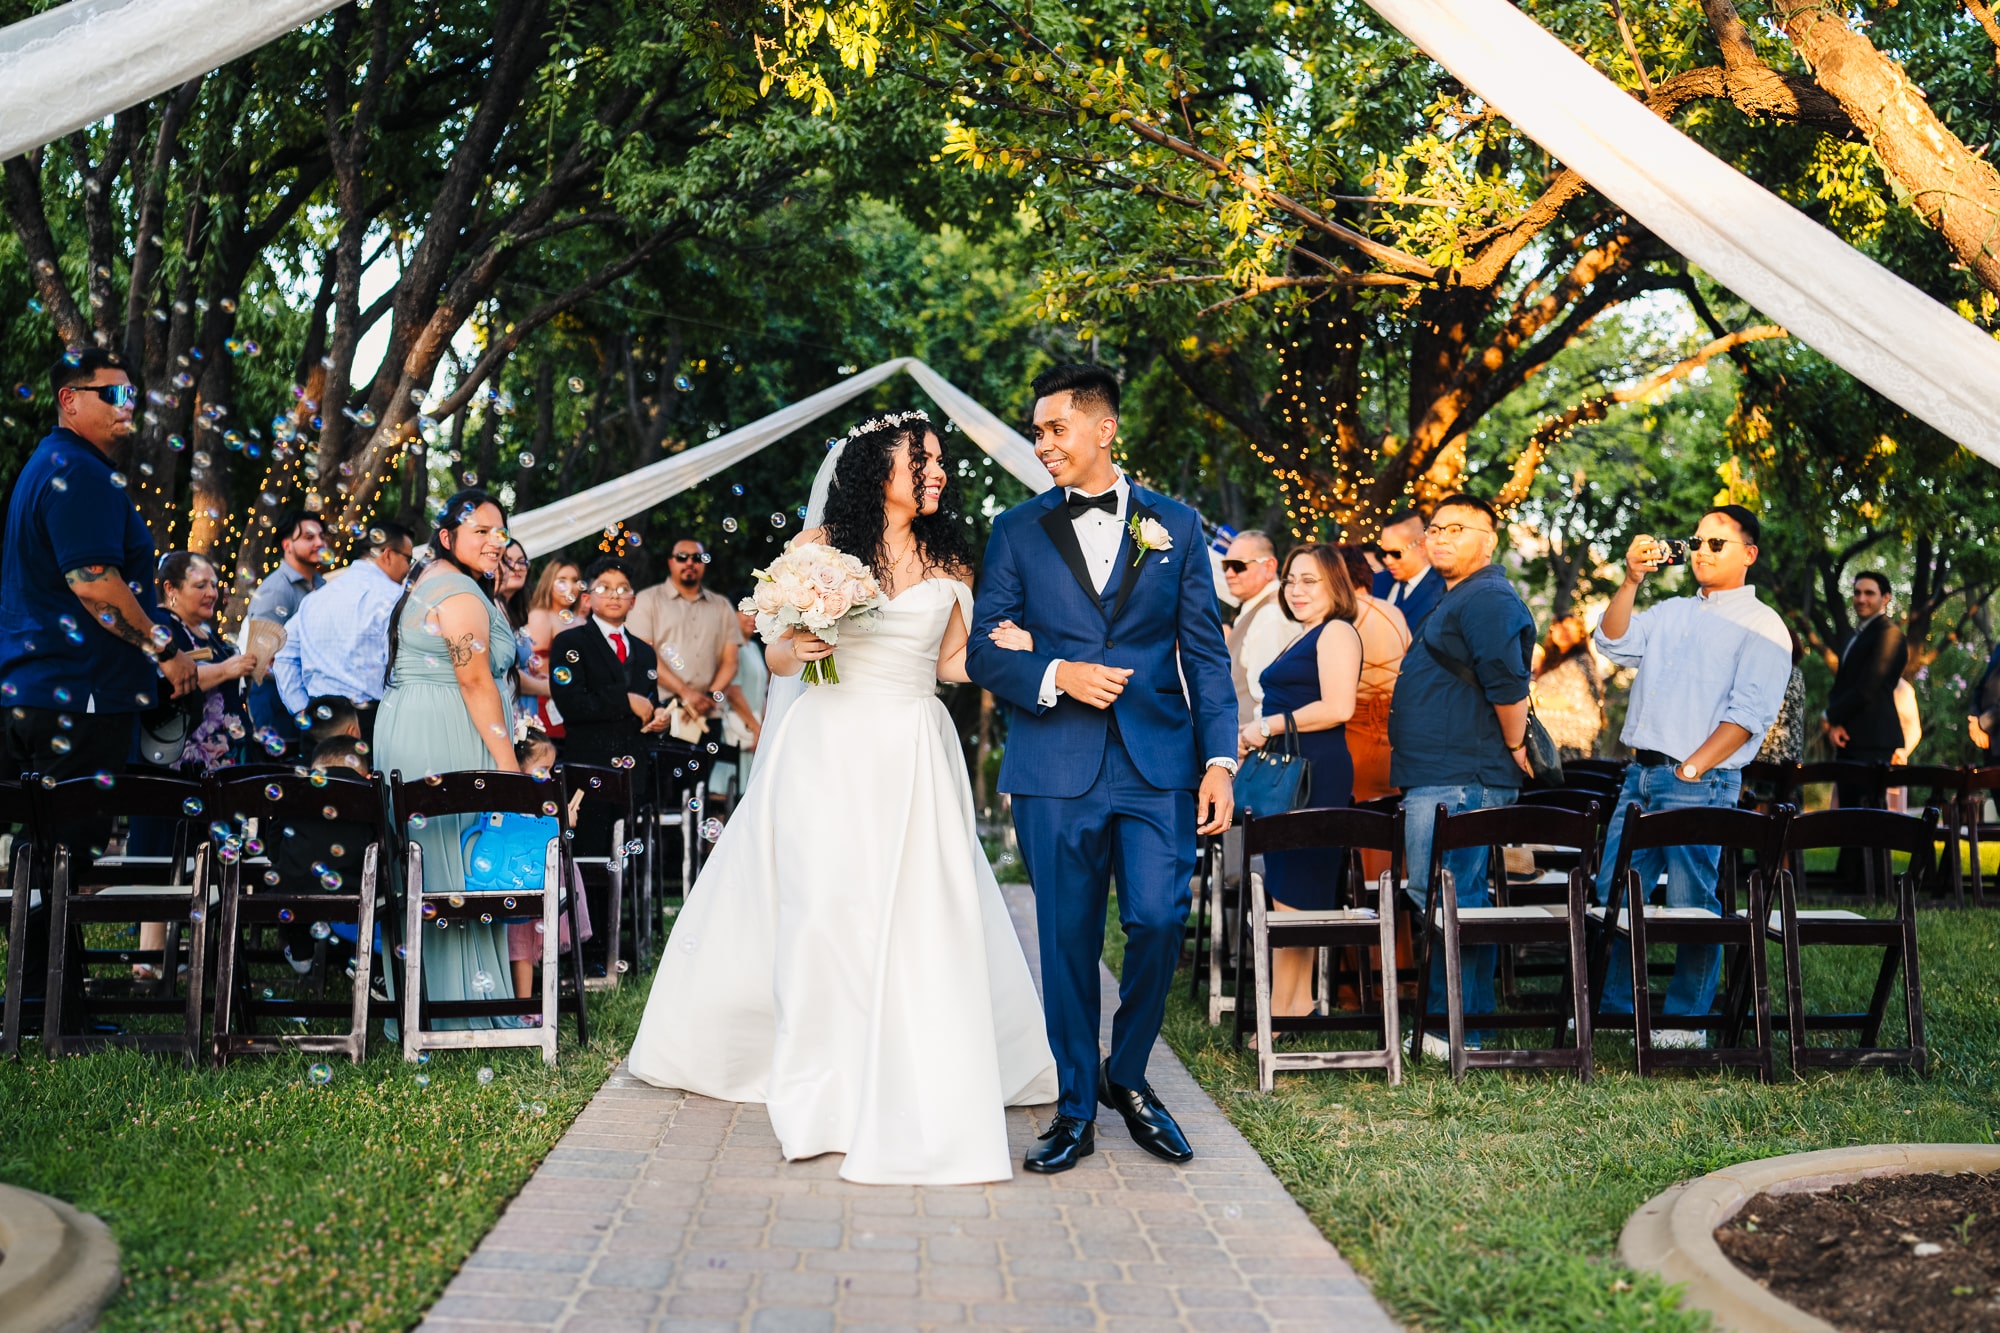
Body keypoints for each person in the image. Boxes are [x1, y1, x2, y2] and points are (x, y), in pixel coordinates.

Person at [629, 409, 1057, 1186]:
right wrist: (803, 641)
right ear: (875, 469)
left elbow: (953, 663)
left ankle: (905, 1057)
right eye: (919, 459)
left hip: (913, 745)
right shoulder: (820, 549)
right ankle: (822, 1084)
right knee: (825, 911)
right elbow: (778, 651)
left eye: (938, 461)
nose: (936, 472)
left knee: (916, 909)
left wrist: (1008, 651)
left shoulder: (952, 557)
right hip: (825, 747)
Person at [968, 363, 1236, 1176]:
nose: (1042, 442)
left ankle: (1130, 1073)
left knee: (1158, 920)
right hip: (1055, 765)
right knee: (1067, 939)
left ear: (1103, 429)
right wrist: (1057, 674)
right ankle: (1078, 1104)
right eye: (1037, 431)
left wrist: (1219, 759)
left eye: (1054, 428)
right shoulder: (1015, 530)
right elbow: (984, 647)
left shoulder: (1178, 527)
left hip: (1160, 763)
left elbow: (1206, 654)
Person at [0, 350, 196, 1000]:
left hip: (48, 688)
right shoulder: (75, 470)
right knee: (65, 855)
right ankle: (41, 1002)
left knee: (51, 850)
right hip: (76, 691)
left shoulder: (53, 466)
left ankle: (51, 997)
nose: (127, 407)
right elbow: (94, 583)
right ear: (69, 400)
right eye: (111, 395)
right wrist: (162, 646)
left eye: (131, 395)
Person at [1592, 506, 1791, 1045]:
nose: (1702, 551)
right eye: (1697, 541)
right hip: (1640, 777)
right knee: (1611, 894)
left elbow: (1749, 714)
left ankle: (1685, 1023)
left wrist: (1692, 767)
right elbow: (1612, 641)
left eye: (1717, 543)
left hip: (1697, 781)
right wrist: (1631, 579)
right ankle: (1609, 1012)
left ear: (1748, 554)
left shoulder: (1763, 626)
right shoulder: (1671, 611)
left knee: (1691, 902)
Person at [1386, 493, 1536, 1057]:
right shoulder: (1460, 596)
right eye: (1435, 528)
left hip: (1464, 776)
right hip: (1442, 774)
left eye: (1458, 527)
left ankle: (1459, 1030)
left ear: (1489, 538)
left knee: (1451, 900)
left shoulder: (1490, 597)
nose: (1441, 536)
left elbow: (1507, 680)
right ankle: (1456, 1026)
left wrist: (1517, 740)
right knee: (1448, 900)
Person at [374, 488, 521, 1028]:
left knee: (435, 859)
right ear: (447, 538)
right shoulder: (457, 592)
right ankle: (461, 1007)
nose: (493, 541)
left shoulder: (434, 581)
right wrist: (509, 767)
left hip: (417, 723)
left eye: (498, 531)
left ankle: (439, 1000)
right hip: (442, 727)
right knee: (449, 856)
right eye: (479, 531)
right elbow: (475, 677)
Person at [1237, 544, 1363, 1031]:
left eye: (1310, 580)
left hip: (1316, 773)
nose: (1297, 590)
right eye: (1291, 580)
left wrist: (1264, 727)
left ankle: (1287, 1011)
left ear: (1335, 584)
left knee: (1297, 895)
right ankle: (1292, 1006)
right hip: (1293, 770)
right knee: (1290, 892)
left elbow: (1338, 708)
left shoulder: (1336, 632)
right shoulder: (1306, 634)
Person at [548, 556, 670, 853]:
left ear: (634, 600)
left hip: (634, 770)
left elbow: (649, 702)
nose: (615, 594)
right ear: (587, 598)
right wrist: (625, 700)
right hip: (590, 767)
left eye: (622, 588)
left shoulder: (644, 652)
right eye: (605, 587)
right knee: (591, 852)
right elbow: (571, 703)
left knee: (628, 855)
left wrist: (660, 718)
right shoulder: (570, 643)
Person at [273, 521, 412, 748]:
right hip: (373, 723)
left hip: (318, 721)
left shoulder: (316, 598)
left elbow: (284, 652)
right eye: (408, 559)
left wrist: (301, 708)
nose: (408, 568)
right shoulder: (395, 598)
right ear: (387, 555)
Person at [140, 551, 256, 773]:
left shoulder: (207, 631)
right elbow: (167, 684)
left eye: (214, 585)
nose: (212, 593)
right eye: (201, 586)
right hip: (190, 761)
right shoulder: (161, 625)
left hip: (228, 758)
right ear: (170, 588)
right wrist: (225, 670)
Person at [626, 536, 742, 738]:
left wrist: (707, 696)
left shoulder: (722, 605)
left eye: (697, 557)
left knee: (706, 770)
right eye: (682, 557)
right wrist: (686, 693)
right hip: (663, 710)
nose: (690, 562)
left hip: (709, 712)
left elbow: (730, 660)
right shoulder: (647, 600)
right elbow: (645, 655)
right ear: (670, 562)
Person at [1334, 544, 1410, 809]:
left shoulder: (1338, 618)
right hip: (1394, 737)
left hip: (1351, 733)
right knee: (1387, 825)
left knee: (1356, 828)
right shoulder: (1395, 613)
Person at [242, 509, 326, 748]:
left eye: (321, 536)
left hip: (306, 700)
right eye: (309, 538)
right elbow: (264, 662)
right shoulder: (276, 589)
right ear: (287, 544)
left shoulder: (322, 585)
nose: (320, 543)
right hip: (275, 702)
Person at [1825, 571, 1909, 787]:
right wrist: (1835, 723)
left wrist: (1829, 715)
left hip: (1874, 740)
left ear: (1886, 598)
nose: (1861, 599)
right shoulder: (1854, 636)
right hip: (1847, 737)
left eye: (1869, 593)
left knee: (1867, 817)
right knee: (1846, 816)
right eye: (1857, 593)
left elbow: (1868, 686)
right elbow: (1842, 683)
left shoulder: (1890, 634)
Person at [1222, 530, 1296, 724]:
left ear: (1269, 566)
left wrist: (1251, 735)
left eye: (1238, 565)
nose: (1229, 574)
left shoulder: (1270, 614)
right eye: (1226, 565)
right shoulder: (1259, 608)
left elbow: (1268, 695)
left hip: (1252, 741)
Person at [710, 595, 769, 799]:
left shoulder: (753, 648)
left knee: (748, 791)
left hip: (754, 727)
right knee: (725, 789)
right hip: (737, 727)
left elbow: (761, 690)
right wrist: (756, 728)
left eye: (755, 612)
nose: (751, 618)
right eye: (745, 611)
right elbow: (733, 692)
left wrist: (763, 726)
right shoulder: (732, 649)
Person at [525, 557, 587, 739]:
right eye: (562, 580)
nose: (570, 586)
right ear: (549, 583)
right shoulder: (540, 616)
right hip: (550, 708)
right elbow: (539, 670)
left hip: (581, 706)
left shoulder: (582, 621)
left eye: (575, 580)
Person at [1532, 614, 1606, 761]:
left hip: (1570, 738)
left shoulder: (1582, 662)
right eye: (1557, 627)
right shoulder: (1552, 662)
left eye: (1568, 628)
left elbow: (1570, 699)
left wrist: (1536, 700)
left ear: (1580, 633)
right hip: (1548, 733)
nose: (1563, 632)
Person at [496, 539, 545, 726]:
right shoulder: (493, 609)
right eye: (508, 561)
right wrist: (546, 687)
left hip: (525, 713)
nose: (517, 567)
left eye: (522, 561)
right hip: (509, 714)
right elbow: (506, 673)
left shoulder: (514, 612)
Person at [1370, 509, 1443, 631]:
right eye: (1383, 552)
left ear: (1422, 546)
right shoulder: (1376, 582)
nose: (1388, 560)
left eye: (1396, 553)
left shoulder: (1443, 588)